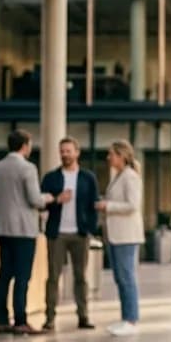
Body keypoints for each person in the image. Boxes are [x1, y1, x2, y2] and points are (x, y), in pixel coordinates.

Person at [0, 130, 62, 335]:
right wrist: (50, 197)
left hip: (3, 229)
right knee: (22, 276)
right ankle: (20, 320)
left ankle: (2, 320)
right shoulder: (28, 168)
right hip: (23, 230)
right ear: (24, 146)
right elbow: (35, 200)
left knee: (4, 275)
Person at [41, 136, 100, 331]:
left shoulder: (87, 177)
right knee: (53, 277)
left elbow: (94, 204)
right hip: (56, 234)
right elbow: (41, 203)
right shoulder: (51, 178)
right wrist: (57, 199)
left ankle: (83, 316)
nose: (65, 155)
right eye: (62, 151)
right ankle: (49, 318)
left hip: (79, 234)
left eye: (68, 151)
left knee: (81, 277)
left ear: (77, 152)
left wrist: (90, 228)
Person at [95, 140, 144, 336]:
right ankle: (125, 318)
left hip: (126, 235)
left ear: (121, 156)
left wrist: (108, 206)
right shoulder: (118, 176)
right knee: (120, 278)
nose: (108, 158)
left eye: (111, 154)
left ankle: (131, 321)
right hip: (116, 235)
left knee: (127, 278)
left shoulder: (130, 177)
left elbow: (133, 205)